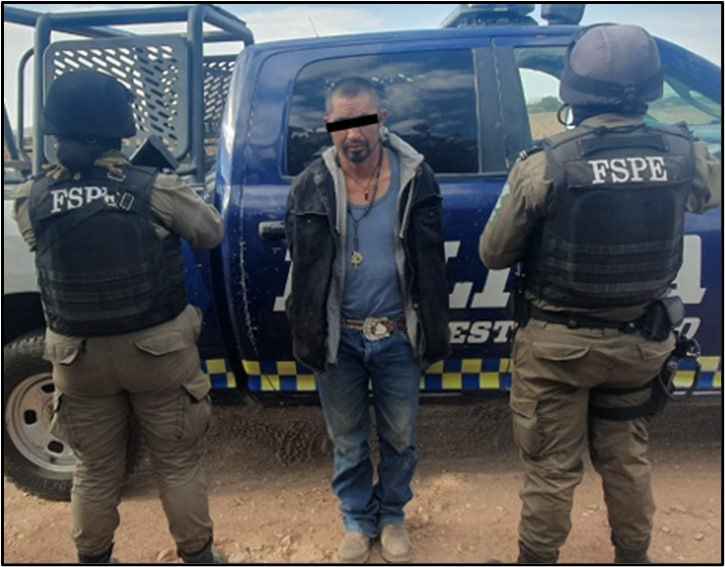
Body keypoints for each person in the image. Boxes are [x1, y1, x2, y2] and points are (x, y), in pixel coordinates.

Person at [480, 24, 721, 564]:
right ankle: (634, 558)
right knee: (626, 459)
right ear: (651, 87)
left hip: (559, 350)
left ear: (573, 89)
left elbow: (494, 253)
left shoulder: (547, 164)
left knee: (551, 467)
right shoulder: (684, 153)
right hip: (640, 342)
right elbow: (708, 192)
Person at [12, 69, 226, 564]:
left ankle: (94, 559)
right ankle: (198, 557)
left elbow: (41, 243)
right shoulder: (152, 187)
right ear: (118, 130)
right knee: (177, 463)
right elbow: (210, 232)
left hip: (77, 357)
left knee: (94, 470)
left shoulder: (31, 196)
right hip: (157, 350)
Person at [285, 76, 450, 563]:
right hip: (341, 338)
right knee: (349, 442)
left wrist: (432, 326)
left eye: (363, 121)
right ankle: (358, 521)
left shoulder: (417, 176)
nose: (353, 134)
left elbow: (431, 262)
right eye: (342, 123)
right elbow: (303, 267)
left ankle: (392, 515)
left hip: (399, 333)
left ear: (381, 119)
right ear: (329, 125)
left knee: (400, 437)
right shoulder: (311, 182)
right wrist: (308, 330)